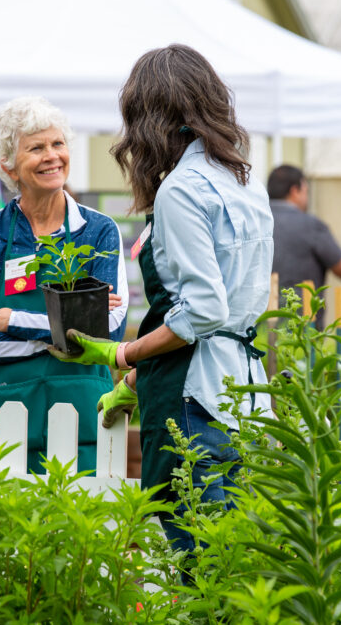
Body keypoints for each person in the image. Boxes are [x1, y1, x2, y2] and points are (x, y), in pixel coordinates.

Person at [51, 44, 274, 556]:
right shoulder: (244, 181)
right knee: (233, 557)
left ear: (148, 120)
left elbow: (202, 311)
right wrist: (137, 380)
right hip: (242, 393)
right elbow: (230, 313)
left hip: (191, 397)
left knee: (195, 560)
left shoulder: (181, 190)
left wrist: (122, 354)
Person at [0, 96, 128, 474]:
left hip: (81, 408)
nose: (52, 156)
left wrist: (14, 319)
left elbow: (109, 329)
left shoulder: (98, 231)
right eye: (36, 148)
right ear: (9, 165)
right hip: (6, 412)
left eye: (58, 144)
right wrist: (61, 335)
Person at [267, 164, 341, 318]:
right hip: (302, 323)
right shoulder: (310, 225)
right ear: (295, 191)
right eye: (306, 191)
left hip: (258, 323)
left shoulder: (256, 222)